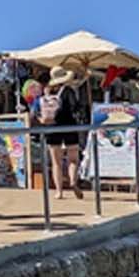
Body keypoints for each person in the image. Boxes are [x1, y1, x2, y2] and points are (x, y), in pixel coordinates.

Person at [40, 66, 87, 200]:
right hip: (69, 128)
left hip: (52, 128)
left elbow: (39, 109)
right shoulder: (68, 91)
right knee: (73, 159)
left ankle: (59, 192)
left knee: (56, 162)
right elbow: (76, 108)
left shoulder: (47, 92)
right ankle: (72, 181)